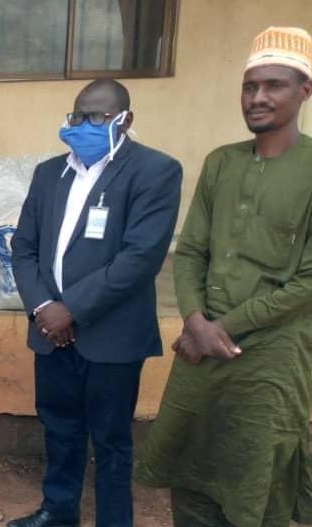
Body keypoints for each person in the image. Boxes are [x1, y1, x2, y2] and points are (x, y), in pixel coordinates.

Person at [135, 26, 312, 527]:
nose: (258, 98)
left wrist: (220, 329)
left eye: (274, 85)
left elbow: (307, 283)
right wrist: (196, 320)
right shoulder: (221, 163)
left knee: (257, 474)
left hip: (273, 355)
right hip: (203, 344)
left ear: (305, 91)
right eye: (249, 86)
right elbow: (191, 251)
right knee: (190, 462)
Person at [7, 78, 182, 527]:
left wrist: (71, 309)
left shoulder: (156, 171)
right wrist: (44, 308)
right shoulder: (49, 173)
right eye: (78, 116)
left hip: (112, 336)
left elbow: (140, 257)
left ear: (125, 120)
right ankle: (59, 510)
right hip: (51, 333)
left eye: (97, 117)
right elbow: (23, 247)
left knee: (111, 441)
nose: (84, 125)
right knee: (59, 429)